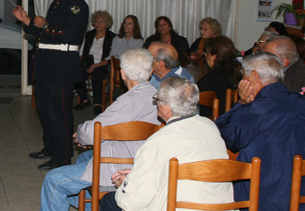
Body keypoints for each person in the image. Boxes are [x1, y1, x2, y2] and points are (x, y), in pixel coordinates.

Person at [40, 48, 161, 211]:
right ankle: (97, 205)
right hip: (144, 158)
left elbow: (91, 132)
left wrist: (80, 135)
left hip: (122, 163)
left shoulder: (128, 102)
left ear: (122, 74)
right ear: (150, 72)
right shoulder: (157, 96)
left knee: (53, 180)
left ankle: (98, 204)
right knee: (85, 158)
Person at [216, 52, 305, 211]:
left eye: (243, 77)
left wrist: (241, 103)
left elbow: (223, 134)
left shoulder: (260, 109)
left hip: (273, 201)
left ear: (254, 77)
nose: (241, 82)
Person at [99, 77, 233, 211]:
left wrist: (125, 185)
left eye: (157, 100)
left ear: (166, 109)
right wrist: (136, 175)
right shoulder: (211, 127)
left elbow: (131, 202)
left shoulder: (158, 141)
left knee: (109, 201)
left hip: (178, 207)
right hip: (219, 205)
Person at [13, 0, 89, 170]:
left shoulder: (77, 6)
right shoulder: (57, 3)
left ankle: (63, 155)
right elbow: (44, 34)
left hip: (62, 66)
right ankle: (50, 148)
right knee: (45, 111)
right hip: (46, 63)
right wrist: (27, 21)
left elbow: (67, 35)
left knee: (59, 113)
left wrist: (43, 24)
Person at [75, 10, 116, 115]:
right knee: (76, 75)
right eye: (96, 21)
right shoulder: (89, 35)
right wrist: (77, 64)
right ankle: (85, 99)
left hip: (102, 64)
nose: (98, 24)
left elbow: (111, 56)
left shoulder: (112, 37)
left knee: (97, 76)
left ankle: (98, 104)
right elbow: (82, 51)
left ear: (107, 24)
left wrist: (96, 65)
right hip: (88, 62)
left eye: (102, 21)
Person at [196, 36, 242, 118]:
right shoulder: (237, 74)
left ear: (214, 57)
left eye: (207, 53)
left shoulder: (210, 79)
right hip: (232, 119)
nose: (205, 55)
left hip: (213, 123)